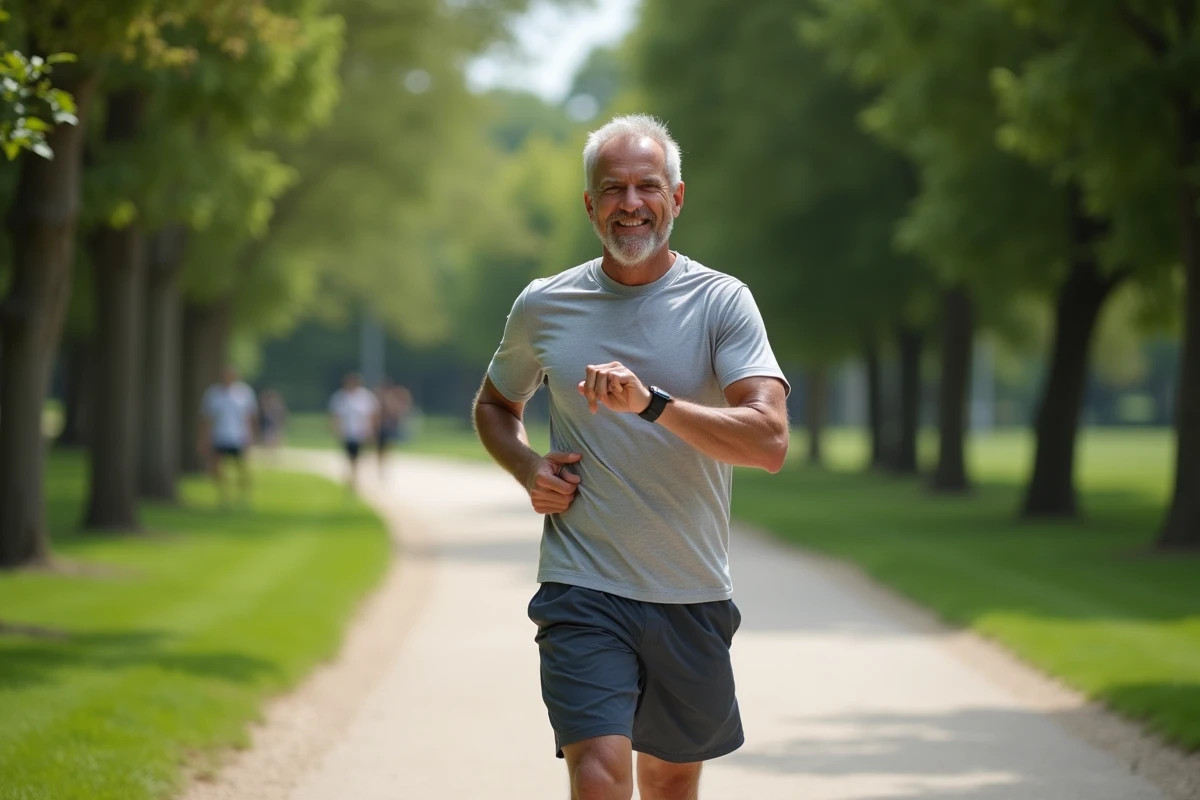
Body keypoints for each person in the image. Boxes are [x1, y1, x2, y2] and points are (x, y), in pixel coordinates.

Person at [472, 114, 790, 800]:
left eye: (648, 185)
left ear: (677, 198)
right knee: (598, 772)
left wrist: (652, 405)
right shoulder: (545, 304)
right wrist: (530, 468)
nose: (630, 202)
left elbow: (769, 441)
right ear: (590, 205)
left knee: (671, 783)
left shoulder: (721, 303)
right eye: (612, 189)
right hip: (582, 586)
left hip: (690, 590)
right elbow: (495, 406)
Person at [199, 366, 259, 509]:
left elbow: (250, 417)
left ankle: (244, 497)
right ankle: (224, 496)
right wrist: (204, 439)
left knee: (242, 468)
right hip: (219, 436)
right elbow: (207, 419)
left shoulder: (244, 393)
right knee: (217, 468)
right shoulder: (213, 394)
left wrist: (251, 436)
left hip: (239, 436)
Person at [328, 372, 379, 491]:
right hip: (347, 432)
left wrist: (372, 429)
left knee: (358, 455)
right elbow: (335, 415)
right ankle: (352, 476)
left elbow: (372, 414)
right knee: (350, 455)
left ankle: (354, 476)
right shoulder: (340, 397)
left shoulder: (365, 397)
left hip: (361, 431)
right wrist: (335, 428)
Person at [374, 378, 413, 475]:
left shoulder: (390, 398)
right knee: (380, 448)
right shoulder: (377, 398)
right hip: (379, 426)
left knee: (386, 447)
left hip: (387, 426)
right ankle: (380, 465)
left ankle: (383, 466)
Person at [258, 388, 289, 454]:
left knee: (275, 438)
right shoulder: (266, 406)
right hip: (269, 425)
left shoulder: (277, 406)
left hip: (275, 425)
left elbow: (282, 415)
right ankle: (270, 452)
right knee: (269, 439)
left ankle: (273, 452)